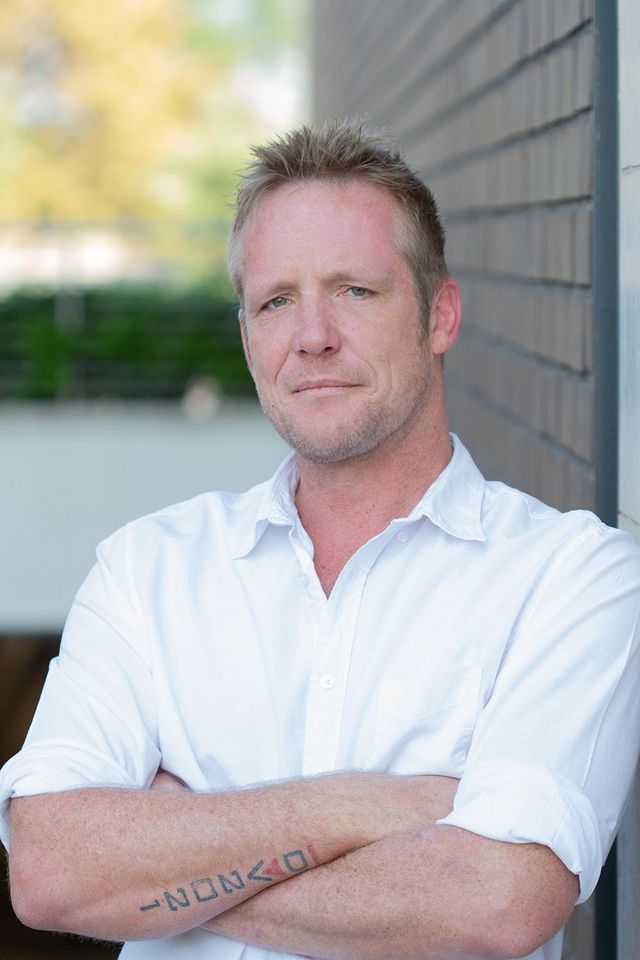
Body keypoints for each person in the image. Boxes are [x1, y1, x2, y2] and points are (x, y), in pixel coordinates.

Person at [2, 119, 640, 960]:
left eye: (355, 292)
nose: (312, 337)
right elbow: (51, 871)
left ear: (440, 314)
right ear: (246, 336)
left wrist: (169, 852)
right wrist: (374, 807)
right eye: (276, 301)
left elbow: (497, 903)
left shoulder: (572, 579)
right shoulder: (148, 570)